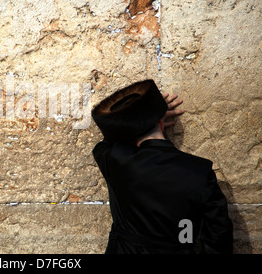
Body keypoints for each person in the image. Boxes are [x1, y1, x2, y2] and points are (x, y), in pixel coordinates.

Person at [92, 79, 233, 254]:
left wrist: (139, 118)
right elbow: (218, 236)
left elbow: (106, 141)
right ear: (160, 123)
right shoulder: (200, 171)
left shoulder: (117, 160)